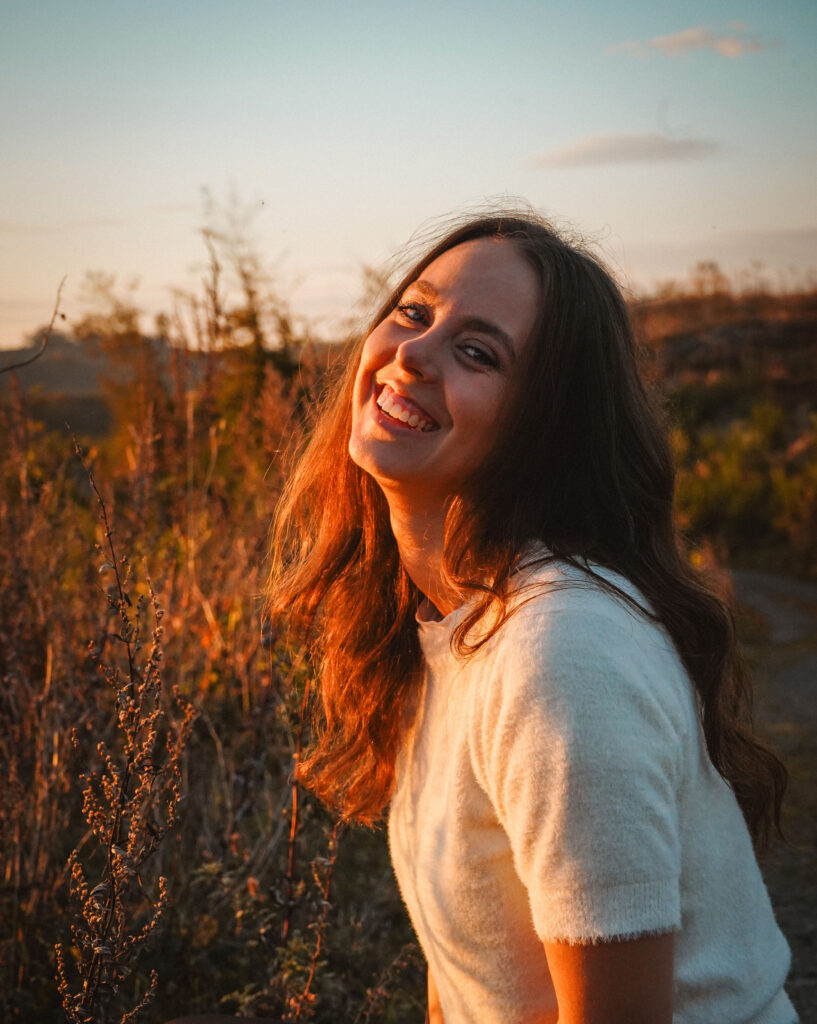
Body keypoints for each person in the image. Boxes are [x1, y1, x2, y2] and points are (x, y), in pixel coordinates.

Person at [268, 210, 797, 1023]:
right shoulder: (444, 623)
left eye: (477, 353)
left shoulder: (561, 654)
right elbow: (473, 982)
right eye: (413, 313)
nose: (410, 354)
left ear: (545, 427)